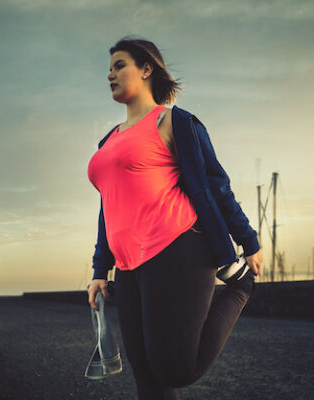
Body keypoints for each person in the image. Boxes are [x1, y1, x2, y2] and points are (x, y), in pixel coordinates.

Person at [86, 36, 263, 400]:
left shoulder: (174, 122)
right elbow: (109, 208)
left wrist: (248, 241)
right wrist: (99, 271)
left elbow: (217, 185)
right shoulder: (108, 140)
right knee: (149, 377)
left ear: (147, 68)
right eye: (108, 69)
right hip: (129, 267)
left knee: (176, 369)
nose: (110, 75)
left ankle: (242, 288)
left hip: (178, 250)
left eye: (119, 65)